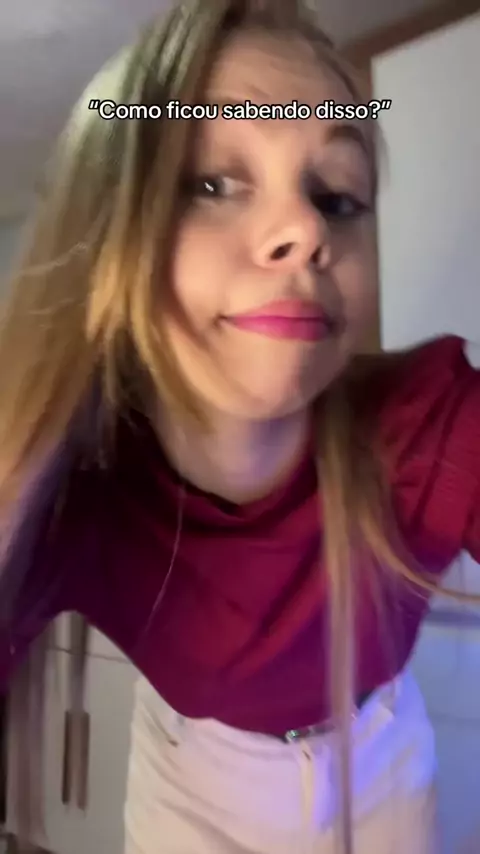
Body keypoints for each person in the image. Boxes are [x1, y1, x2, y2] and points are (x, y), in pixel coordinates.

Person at [0, 0, 479, 852]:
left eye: (337, 197)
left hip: (381, 753)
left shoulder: (429, 423)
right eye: (212, 184)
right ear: (109, 237)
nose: (305, 228)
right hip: (194, 776)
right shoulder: (80, 486)